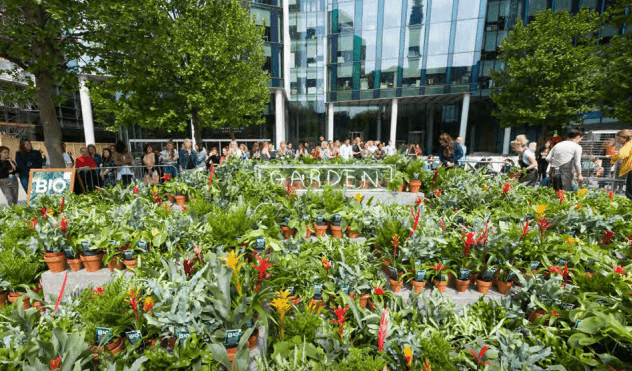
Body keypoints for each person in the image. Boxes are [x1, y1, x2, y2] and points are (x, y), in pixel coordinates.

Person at [610, 129, 632, 200]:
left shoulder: (629, 144)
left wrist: (613, 158)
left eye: (618, 138)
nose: (617, 140)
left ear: (623, 138)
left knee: (630, 194)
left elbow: (621, 154)